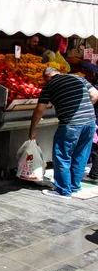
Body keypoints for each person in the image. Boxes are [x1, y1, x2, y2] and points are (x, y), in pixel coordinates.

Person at [29, 67, 98, 199]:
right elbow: (95, 95)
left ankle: (63, 191)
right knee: (81, 155)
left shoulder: (50, 85)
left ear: (48, 75)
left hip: (71, 124)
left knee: (62, 155)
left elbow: (39, 110)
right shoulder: (78, 78)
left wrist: (32, 130)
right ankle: (74, 186)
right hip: (89, 122)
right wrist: (84, 110)